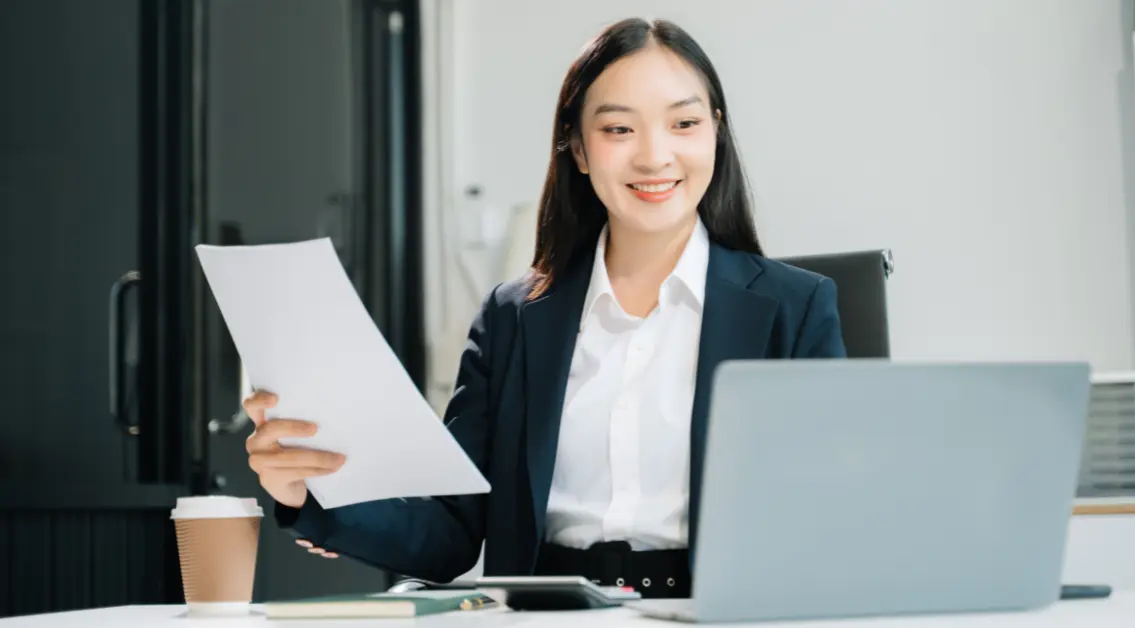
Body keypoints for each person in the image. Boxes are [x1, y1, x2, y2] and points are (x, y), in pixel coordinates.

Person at [242, 17, 846, 600]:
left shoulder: (795, 309)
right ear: (578, 150)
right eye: (618, 130)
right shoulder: (513, 319)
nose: (655, 156)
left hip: (714, 619)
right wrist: (302, 491)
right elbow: (451, 532)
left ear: (716, 131)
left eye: (684, 123)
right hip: (543, 615)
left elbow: (828, 517)